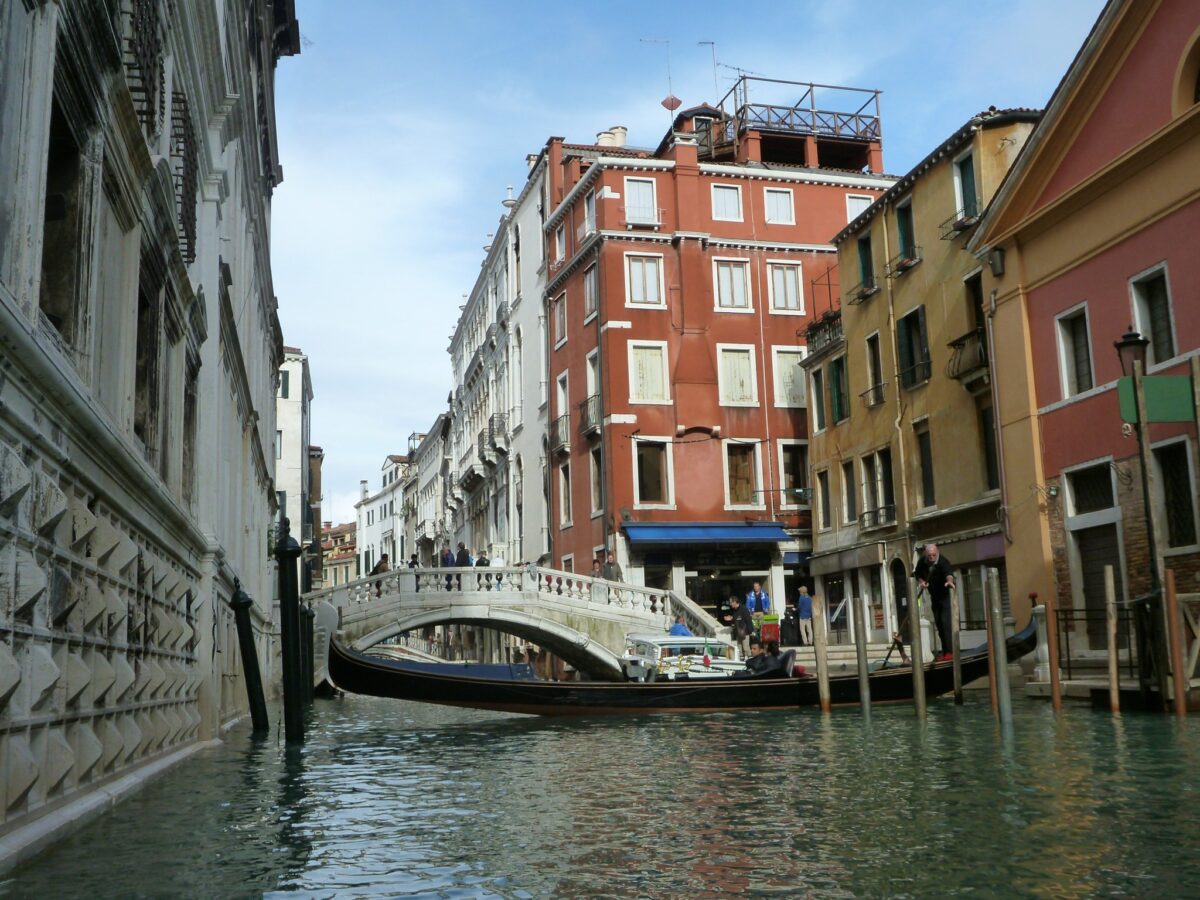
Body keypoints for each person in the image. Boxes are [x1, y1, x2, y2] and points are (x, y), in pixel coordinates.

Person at [914, 542, 956, 659]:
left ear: (937, 553)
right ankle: (945, 652)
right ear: (926, 554)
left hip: (945, 596)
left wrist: (950, 581)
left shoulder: (943, 561)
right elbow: (917, 574)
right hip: (934, 596)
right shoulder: (922, 561)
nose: (931, 558)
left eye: (933, 555)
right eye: (929, 556)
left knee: (945, 622)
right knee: (939, 624)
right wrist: (921, 582)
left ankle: (950, 652)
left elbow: (949, 574)